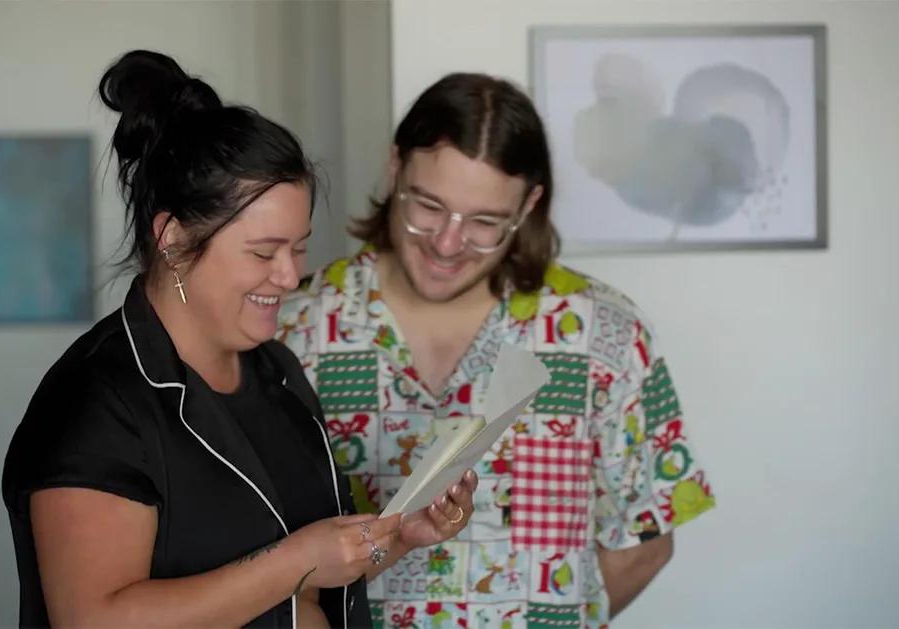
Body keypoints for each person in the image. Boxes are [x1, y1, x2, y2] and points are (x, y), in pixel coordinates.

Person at [0, 51, 479, 629]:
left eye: (298, 248)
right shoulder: (96, 401)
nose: (289, 276)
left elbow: (312, 580)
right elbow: (93, 620)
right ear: (173, 239)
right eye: (263, 252)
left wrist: (399, 535)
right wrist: (293, 562)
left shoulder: (279, 372)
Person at [276, 72, 716, 629]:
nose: (447, 243)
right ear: (394, 168)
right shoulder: (293, 327)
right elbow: (255, 549)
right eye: (428, 205)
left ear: (528, 205)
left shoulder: (604, 334)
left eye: (484, 221)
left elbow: (643, 542)